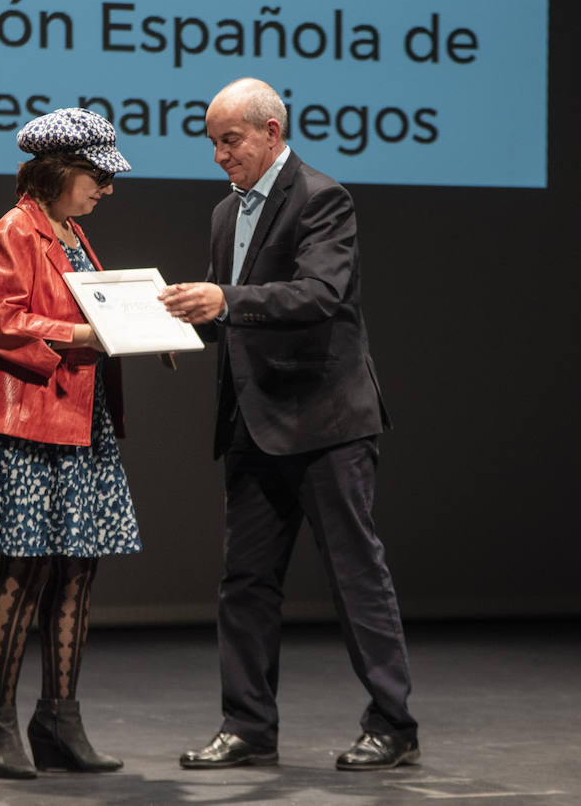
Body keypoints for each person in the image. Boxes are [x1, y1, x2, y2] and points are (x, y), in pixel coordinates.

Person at [159, 78, 419, 771]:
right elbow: (235, 315)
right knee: (244, 581)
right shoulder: (225, 214)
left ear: (273, 132)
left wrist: (223, 298)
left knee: (354, 575)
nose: (219, 155)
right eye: (212, 142)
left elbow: (318, 294)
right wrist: (176, 324)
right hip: (254, 423)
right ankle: (247, 724)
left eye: (230, 140)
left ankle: (393, 722)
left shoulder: (322, 197)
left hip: (326, 421)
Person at [0, 108, 139, 780]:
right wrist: (88, 335)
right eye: (96, 176)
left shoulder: (71, 231)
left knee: (78, 567)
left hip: (80, 417)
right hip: (28, 422)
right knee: (24, 569)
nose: (105, 189)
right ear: (59, 171)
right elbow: (3, 322)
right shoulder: (13, 230)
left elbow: (100, 306)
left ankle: (59, 719)